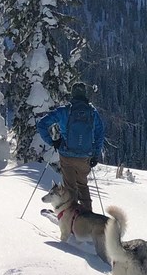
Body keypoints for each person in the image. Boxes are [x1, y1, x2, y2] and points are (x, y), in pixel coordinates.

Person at [36, 82, 106, 214]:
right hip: (85, 156)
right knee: (83, 186)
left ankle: (70, 217)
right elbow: (100, 133)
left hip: (67, 155)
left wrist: (53, 141)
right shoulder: (92, 112)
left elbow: (42, 124)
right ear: (84, 94)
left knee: (70, 188)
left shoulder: (65, 111)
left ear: (72, 94)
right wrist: (95, 155)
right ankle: (87, 216)